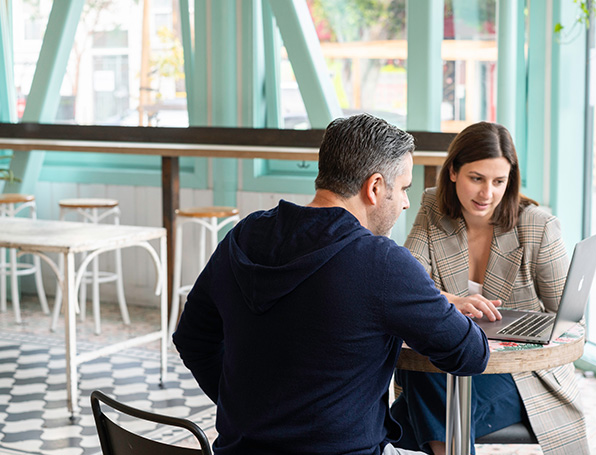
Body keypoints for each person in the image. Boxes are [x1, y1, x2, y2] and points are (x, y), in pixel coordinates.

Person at [172, 113, 491, 455]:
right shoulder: (382, 263)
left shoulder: (244, 236)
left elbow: (191, 338)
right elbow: (471, 354)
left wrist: (244, 413)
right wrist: (436, 301)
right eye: (402, 188)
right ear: (375, 187)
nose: (406, 202)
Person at [390, 122, 589, 455]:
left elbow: (569, 322)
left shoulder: (538, 226)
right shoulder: (433, 208)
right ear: (453, 171)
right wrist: (452, 301)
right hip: (450, 364)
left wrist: (517, 336)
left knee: (391, 422)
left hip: (522, 375)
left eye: (499, 181)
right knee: (429, 370)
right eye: (476, 178)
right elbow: (404, 287)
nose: (487, 194)